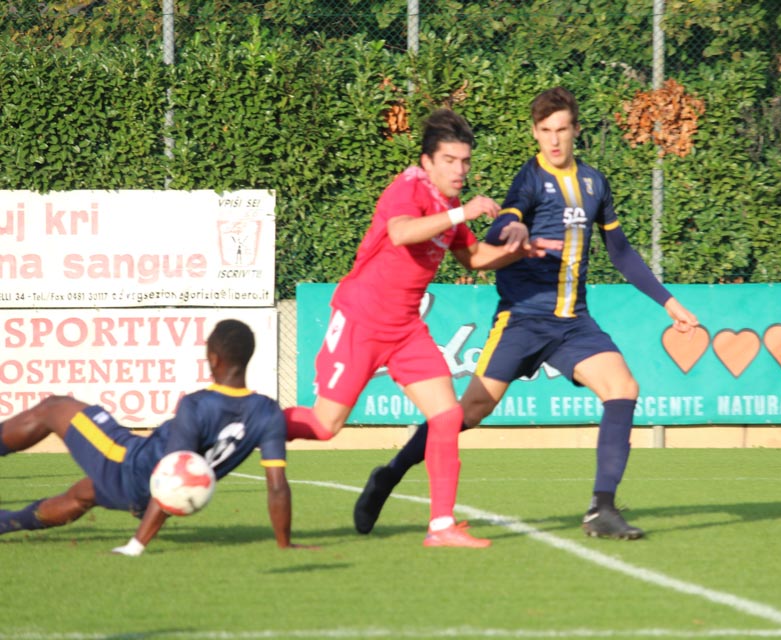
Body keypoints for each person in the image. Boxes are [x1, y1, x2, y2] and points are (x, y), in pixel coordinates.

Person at [353, 87, 700, 541]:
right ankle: (391, 474)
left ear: (576, 130)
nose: (554, 140)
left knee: (623, 388)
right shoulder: (531, 178)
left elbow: (620, 251)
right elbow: (507, 218)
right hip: (522, 318)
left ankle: (602, 509)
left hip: (573, 322)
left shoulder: (595, 183)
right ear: (535, 133)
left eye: (561, 130)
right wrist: (513, 226)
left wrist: (669, 303)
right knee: (469, 411)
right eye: (545, 131)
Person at [283, 108, 559, 548]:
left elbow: (474, 258)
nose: (459, 170)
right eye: (449, 160)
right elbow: (401, 233)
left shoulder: (449, 204)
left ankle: (441, 526)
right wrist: (464, 212)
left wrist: (520, 251)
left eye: (465, 161)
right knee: (323, 425)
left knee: (447, 416)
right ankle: (243, 422)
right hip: (362, 319)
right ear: (427, 161)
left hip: (406, 329)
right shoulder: (409, 187)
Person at [0, 318, 310, 556]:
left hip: (125, 463)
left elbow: (172, 473)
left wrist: (137, 544)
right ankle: (6, 522)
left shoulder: (197, 404)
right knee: (83, 494)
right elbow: (277, 486)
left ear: (214, 358)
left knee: (53, 408)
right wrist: (284, 543)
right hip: (145, 496)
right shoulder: (268, 411)